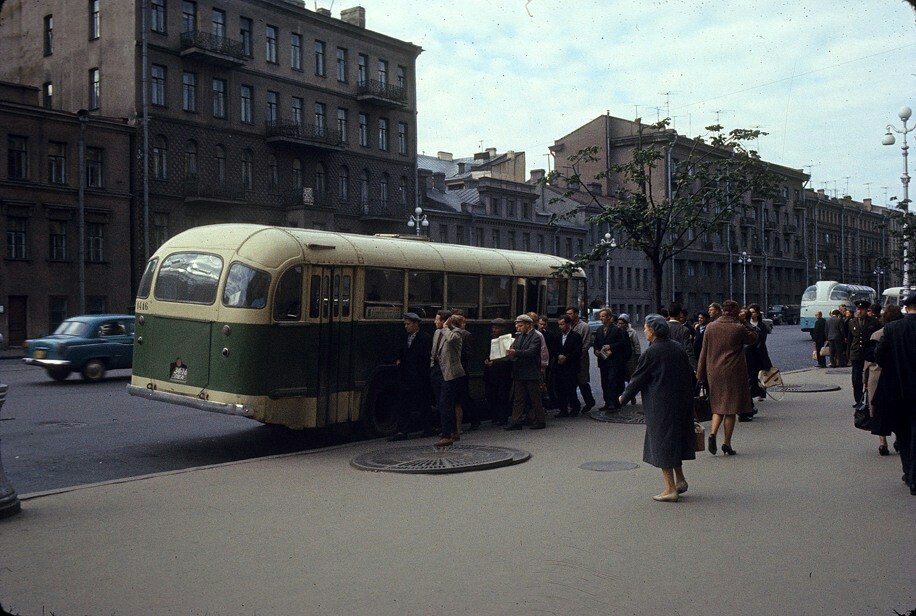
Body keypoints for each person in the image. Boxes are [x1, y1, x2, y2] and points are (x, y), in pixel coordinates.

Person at [619, 314, 696, 502]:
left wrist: (623, 398)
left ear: (653, 331)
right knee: (674, 441)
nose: (644, 330)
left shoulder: (652, 352)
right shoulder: (676, 347)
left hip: (660, 404)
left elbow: (638, 378)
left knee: (662, 444)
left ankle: (670, 489)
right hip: (680, 402)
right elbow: (687, 375)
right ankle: (680, 480)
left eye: (645, 327)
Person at [696, 300, 758, 456]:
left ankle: (712, 434)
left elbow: (704, 351)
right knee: (730, 409)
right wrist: (745, 322)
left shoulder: (710, 327)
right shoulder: (738, 328)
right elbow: (753, 338)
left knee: (718, 406)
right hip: (733, 372)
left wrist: (700, 374)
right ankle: (727, 443)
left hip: (714, 372)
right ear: (736, 312)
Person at [872, 292, 916, 496]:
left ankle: (909, 474)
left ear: (907, 309)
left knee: (904, 433)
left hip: (898, 391)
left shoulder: (892, 329)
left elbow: (880, 357)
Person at [864, 305, 903, 456]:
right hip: (898, 378)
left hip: (877, 377)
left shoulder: (876, 335)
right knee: (898, 410)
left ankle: (883, 442)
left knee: (879, 412)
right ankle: (899, 438)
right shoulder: (902, 334)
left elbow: (868, 361)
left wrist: (865, 379)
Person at [389, 313, 434, 441]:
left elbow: (425, 358)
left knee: (423, 403)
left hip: (419, 376)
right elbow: (401, 352)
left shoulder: (425, 338)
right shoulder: (405, 338)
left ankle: (427, 428)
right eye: (405, 324)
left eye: (408, 324)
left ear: (416, 324)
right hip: (406, 376)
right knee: (404, 404)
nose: (406, 327)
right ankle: (403, 431)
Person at [505, 314, 546, 430]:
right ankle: (515, 421)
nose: (518, 327)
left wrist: (515, 352)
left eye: (520, 325)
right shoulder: (519, 337)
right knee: (518, 399)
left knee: (535, 398)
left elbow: (531, 352)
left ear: (529, 325)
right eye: (517, 325)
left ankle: (540, 421)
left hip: (531, 373)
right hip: (519, 372)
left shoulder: (536, 337)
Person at [429, 310, 465, 447]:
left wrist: (446, 327)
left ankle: (446, 436)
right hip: (437, 370)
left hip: (450, 373)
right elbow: (434, 350)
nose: (434, 322)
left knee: (445, 403)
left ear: (444, 321)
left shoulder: (456, 332)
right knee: (441, 403)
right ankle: (453, 431)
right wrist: (432, 364)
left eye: (437, 319)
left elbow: (451, 340)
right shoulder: (437, 332)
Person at [592, 308, 630, 410]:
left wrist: (611, 346)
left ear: (609, 317)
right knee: (604, 382)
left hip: (613, 360)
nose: (601, 318)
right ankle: (607, 402)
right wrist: (596, 350)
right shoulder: (599, 330)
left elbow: (622, 344)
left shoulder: (617, 330)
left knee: (612, 380)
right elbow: (596, 343)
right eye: (600, 316)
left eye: (603, 316)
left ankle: (614, 402)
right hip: (603, 360)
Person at [847, 299, 881, 411]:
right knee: (856, 379)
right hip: (856, 354)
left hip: (869, 354)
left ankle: (869, 399)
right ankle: (858, 400)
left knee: (869, 379)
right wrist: (848, 355)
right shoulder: (852, 322)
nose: (859, 311)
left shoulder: (874, 323)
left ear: (866, 310)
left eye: (861, 309)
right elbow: (850, 339)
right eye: (857, 309)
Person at [743, 303, 773, 415]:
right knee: (750, 373)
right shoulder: (746, 323)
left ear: (757, 313)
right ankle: (751, 393)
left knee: (762, 373)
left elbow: (763, 338)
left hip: (760, 351)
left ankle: (762, 393)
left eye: (753, 312)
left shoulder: (762, 325)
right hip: (749, 352)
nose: (752, 314)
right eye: (750, 312)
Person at [566, 306, 597, 413]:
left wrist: (578, 355)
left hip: (581, 358)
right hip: (571, 359)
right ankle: (574, 404)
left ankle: (589, 401)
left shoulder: (584, 326)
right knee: (571, 381)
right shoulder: (568, 325)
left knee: (582, 381)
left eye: (570, 313)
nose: (569, 316)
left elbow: (586, 343)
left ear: (576, 314)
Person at [452, 312, 478, 435]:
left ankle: (474, 419)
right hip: (454, 370)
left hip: (461, 369)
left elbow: (468, 353)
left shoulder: (466, 335)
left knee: (463, 396)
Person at [484, 318, 513, 425]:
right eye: (493, 328)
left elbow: (507, 358)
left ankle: (503, 417)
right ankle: (495, 415)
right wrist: (486, 360)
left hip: (502, 373)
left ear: (502, 329)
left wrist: (495, 363)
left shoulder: (507, 339)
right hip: (491, 372)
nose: (494, 330)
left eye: (496, 328)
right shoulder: (490, 338)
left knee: (502, 395)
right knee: (491, 394)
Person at [553, 315, 583, 417]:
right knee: (560, 388)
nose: (560, 327)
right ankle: (563, 409)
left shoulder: (576, 337)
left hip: (571, 367)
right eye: (559, 325)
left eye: (562, 324)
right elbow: (554, 349)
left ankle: (575, 406)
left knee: (570, 388)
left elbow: (577, 352)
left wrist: (566, 357)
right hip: (559, 366)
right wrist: (558, 356)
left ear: (568, 324)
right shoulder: (557, 337)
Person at [617, 313, 642, 405]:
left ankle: (632, 396)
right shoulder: (617, 331)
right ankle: (622, 397)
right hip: (620, 358)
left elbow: (636, 345)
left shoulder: (632, 332)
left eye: (622, 323)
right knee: (620, 378)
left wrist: (637, 356)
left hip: (630, 357)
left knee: (630, 378)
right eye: (619, 323)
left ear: (626, 323)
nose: (620, 325)